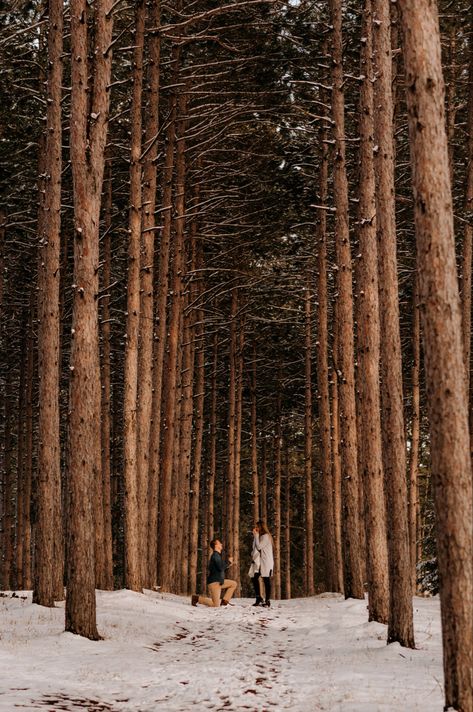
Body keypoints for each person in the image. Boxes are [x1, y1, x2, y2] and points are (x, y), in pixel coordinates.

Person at [191, 538, 237, 607]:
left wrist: (228, 565)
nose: (221, 544)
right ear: (216, 545)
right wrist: (229, 562)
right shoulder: (215, 556)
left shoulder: (217, 556)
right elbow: (221, 567)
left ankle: (224, 601)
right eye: (219, 543)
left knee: (233, 584)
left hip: (219, 581)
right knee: (215, 605)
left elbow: (220, 569)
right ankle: (197, 598)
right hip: (214, 583)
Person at [250, 520, 274, 607]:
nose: (255, 528)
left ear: (261, 527)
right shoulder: (261, 536)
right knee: (254, 577)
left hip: (266, 562)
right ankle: (258, 597)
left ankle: (267, 600)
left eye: (257, 527)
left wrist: (256, 536)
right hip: (261, 562)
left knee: (266, 580)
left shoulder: (266, 536)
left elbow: (259, 546)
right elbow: (255, 547)